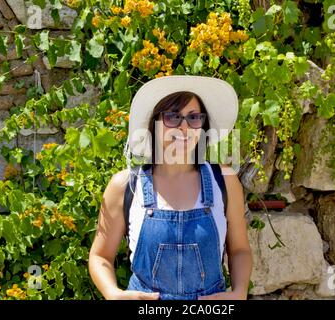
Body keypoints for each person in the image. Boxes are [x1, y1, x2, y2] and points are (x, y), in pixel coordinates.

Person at [89, 75, 252, 300]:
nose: (184, 128)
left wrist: (240, 292)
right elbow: (100, 256)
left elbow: (240, 250)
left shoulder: (223, 181)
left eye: (194, 118)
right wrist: (112, 293)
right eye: (173, 117)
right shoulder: (126, 186)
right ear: (154, 124)